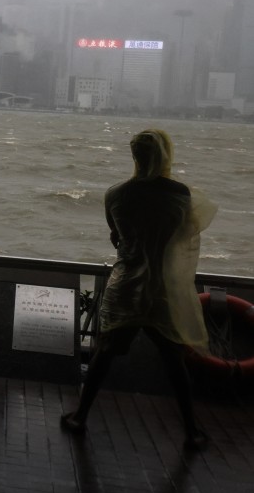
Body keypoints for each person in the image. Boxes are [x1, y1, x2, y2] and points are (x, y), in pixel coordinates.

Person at [61, 128, 216, 449]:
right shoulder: (180, 194)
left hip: (126, 287)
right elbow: (184, 236)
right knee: (174, 360)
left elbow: (117, 237)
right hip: (161, 289)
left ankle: (80, 416)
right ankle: (191, 430)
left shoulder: (115, 195)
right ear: (165, 154)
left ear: (134, 157)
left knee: (104, 353)